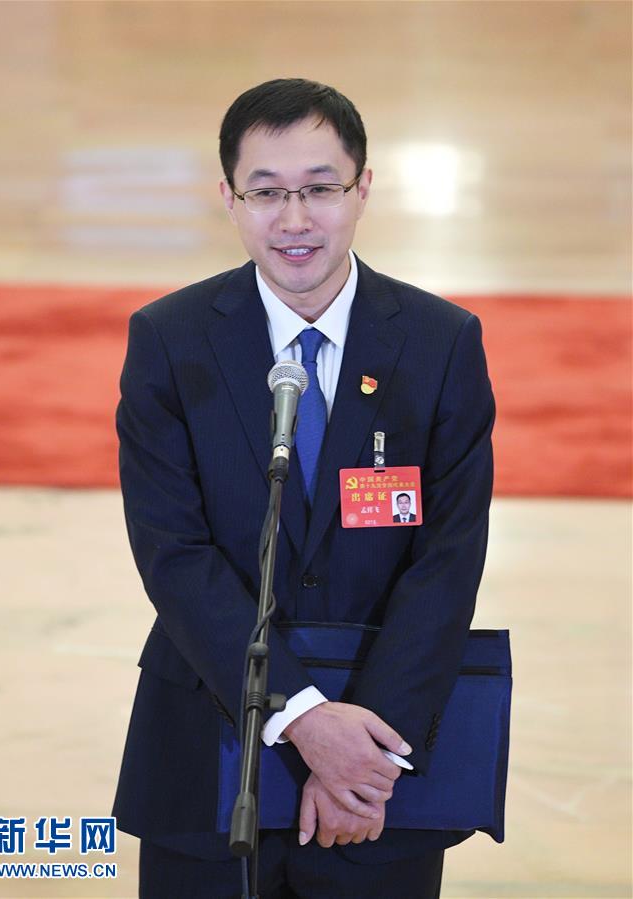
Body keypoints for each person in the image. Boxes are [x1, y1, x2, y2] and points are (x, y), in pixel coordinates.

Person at [112, 78, 495, 899]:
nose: (294, 220)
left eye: (320, 188)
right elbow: (174, 555)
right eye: (267, 192)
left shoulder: (441, 344)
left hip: (377, 779)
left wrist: (364, 751)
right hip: (210, 752)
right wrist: (302, 716)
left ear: (363, 187)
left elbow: (449, 559)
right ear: (229, 197)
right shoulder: (170, 342)